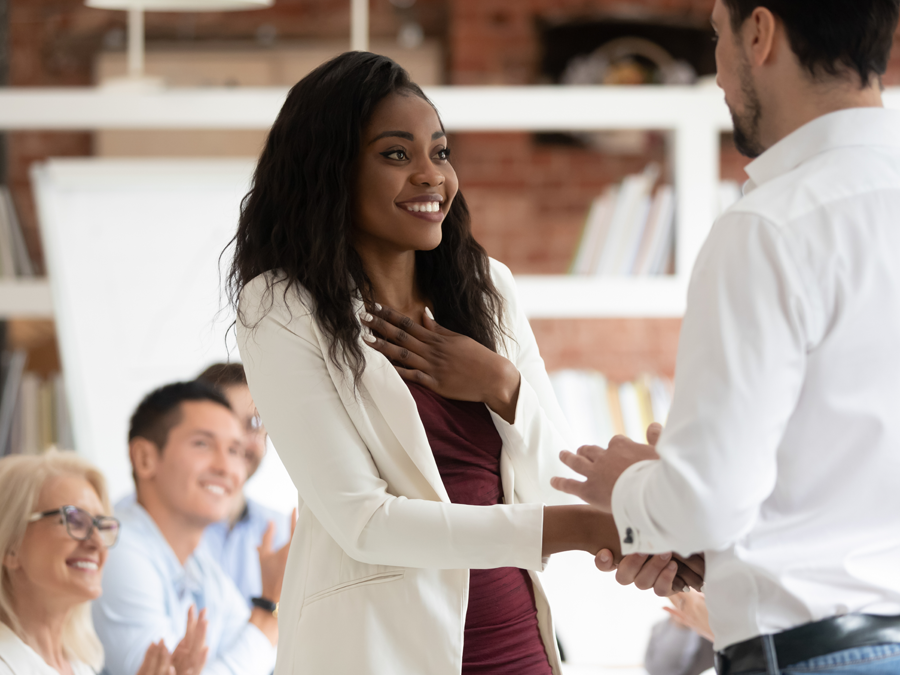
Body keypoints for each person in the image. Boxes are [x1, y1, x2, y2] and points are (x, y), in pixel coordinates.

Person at [228, 51, 701, 675]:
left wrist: (502, 386)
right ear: (330, 171)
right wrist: (587, 530)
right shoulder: (282, 306)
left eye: (441, 152)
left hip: (513, 638)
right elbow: (364, 523)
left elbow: (548, 480)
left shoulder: (486, 287)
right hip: (378, 651)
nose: (431, 176)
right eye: (397, 154)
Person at [552, 0, 900, 673]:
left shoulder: (769, 227)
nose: (715, 72)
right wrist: (722, 545)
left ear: (760, 33)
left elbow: (705, 503)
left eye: (717, 36)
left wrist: (637, 489)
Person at [93, 381, 291, 675]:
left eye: (235, 450)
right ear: (145, 458)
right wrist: (268, 611)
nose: (226, 467)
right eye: (203, 444)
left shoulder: (197, 564)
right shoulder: (116, 549)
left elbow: (270, 661)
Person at [0, 450, 199, 675]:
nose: (97, 542)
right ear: (10, 547)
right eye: (75, 520)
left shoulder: (80, 665)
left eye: (101, 525)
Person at [195, 363, 292, 607]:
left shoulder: (284, 535)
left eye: (254, 424)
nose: (236, 440)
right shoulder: (151, 526)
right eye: (222, 422)